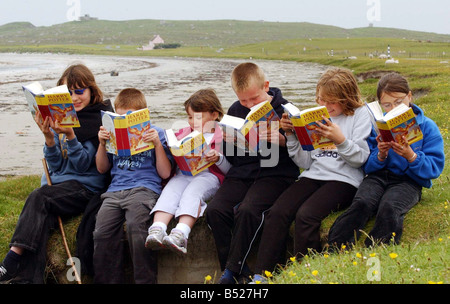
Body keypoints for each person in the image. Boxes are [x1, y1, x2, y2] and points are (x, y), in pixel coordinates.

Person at [251, 68, 372, 283]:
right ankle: (262, 276)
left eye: (331, 102)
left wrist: (340, 140)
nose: (325, 106)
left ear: (347, 98)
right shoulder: (317, 114)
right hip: (313, 174)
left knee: (306, 216)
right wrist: (291, 136)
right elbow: (306, 162)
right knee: (277, 212)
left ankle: (307, 275)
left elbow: (360, 159)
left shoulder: (361, 114)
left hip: (345, 179)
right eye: (321, 100)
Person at [0, 64, 113, 284]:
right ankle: (28, 279)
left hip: (86, 189)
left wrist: (71, 136)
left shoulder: (97, 121)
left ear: (91, 91)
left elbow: (82, 166)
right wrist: (50, 140)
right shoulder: (60, 118)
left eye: (79, 91)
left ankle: (11, 260)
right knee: (40, 222)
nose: (74, 98)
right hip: (62, 188)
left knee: (39, 196)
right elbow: (56, 166)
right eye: (67, 93)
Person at [205, 62, 299, 284]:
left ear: (266, 86)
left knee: (248, 210)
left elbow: (302, 155)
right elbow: (234, 159)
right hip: (242, 173)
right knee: (216, 210)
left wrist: (284, 140)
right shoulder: (236, 110)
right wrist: (229, 142)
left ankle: (230, 272)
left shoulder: (286, 110)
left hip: (276, 174)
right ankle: (238, 269)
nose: (248, 105)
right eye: (243, 100)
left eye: (254, 99)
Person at [327, 72, 445, 248]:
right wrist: (380, 155)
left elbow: (434, 169)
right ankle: (337, 246)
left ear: (410, 96)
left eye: (399, 102)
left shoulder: (427, 126)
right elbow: (367, 165)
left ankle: (376, 249)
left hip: (409, 181)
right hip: (378, 176)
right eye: (387, 105)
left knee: (389, 207)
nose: (393, 108)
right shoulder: (378, 124)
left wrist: (411, 156)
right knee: (362, 203)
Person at [93, 88, 174, 284]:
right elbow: (102, 168)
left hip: (144, 189)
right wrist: (102, 144)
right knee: (101, 233)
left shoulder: (159, 134)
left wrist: (156, 144)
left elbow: (165, 173)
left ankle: (145, 281)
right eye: (121, 117)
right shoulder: (112, 135)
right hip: (114, 192)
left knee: (137, 229)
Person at [145, 89, 231, 254]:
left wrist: (218, 158)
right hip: (183, 174)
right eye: (190, 117)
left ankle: (181, 233)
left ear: (214, 115)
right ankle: (157, 228)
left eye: (198, 117)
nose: (193, 122)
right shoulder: (184, 133)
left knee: (192, 193)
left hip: (209, 176)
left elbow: (230, 170)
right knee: (170, 190)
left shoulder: (223, 136)